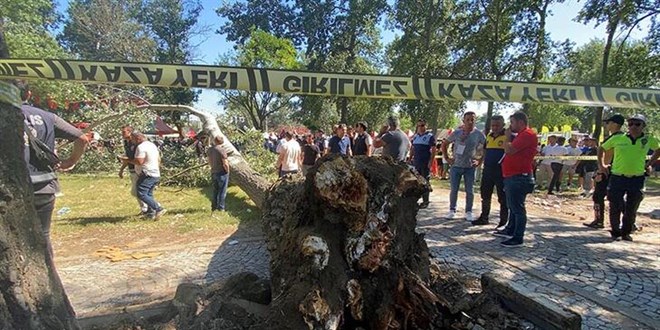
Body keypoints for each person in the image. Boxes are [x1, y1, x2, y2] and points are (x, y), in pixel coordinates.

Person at [22, 101, 89, 256]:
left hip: (13, 187)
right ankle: (48, 276)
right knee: (43, 235)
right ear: (28, 94)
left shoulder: (7, 113)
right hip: (44, 185)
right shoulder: (48, 117)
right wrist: (70, 161)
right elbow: (82, 138)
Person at [599, 114, 660, 242]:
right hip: (617, 177)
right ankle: (615, 230)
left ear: (643, 126)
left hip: (636, 178)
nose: (633, 126)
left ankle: (626, 232)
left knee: (631, 207)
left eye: (637, 124)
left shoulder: (648, 139)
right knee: (614, 204)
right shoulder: (619, 138)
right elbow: (602, 148)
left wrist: (649, 163)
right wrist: (602, 165)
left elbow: (658, 149)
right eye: (631, 123)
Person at [493, 111, 538, 248]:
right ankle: (510, 229)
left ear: (520, 122)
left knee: (517, 208)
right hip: (512, 175)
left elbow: (509, 150)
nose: (510, 126)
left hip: (519, 176)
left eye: (512, 122)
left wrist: (506, 138)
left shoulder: (527, 134)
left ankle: (518, 237)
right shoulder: (521, 135)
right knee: (512, 206)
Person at [441, 112, 486, 221]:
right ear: (464, 121)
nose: (470, 122)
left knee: (469, 190)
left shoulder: (479, 134)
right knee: (454, 189)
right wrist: (447, 157)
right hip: (456, 165)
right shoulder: (457, 133)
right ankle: (452, 210)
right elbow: (444, 143)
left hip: (470, 167)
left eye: (472, 119)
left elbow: (486, 147)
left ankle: (468, 211)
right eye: (468, 119)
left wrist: (480, 160)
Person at [584, 114, 624, 229]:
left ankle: (599, 220)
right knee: (617, 197)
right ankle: (629, 221)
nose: (606, 125)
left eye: (608, 123)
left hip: (608, 170)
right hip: (616, 170)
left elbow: (607, 155)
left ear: (615, 124)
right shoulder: (624, 137)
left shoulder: (614, 138)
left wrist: (600, 170)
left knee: (598, 196)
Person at [473, 115, 508, 227]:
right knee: (485, 195)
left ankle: (503, 221)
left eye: (497, 125)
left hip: (501, 171)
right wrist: (481, 162)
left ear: (503, 125)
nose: (495, 127)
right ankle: (484, 217)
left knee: (502, 197)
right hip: (488, 170)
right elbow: (485, 151)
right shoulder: (488, 136)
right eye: (493, 125)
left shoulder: (507, 137)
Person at [123, 131, 167, 220]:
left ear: (138, 138)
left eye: (133, 139)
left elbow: (139, 161)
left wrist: (127, 160)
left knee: (141, 193)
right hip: (155, 173)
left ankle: (158, 208)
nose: (132, 141)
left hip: (146, 173)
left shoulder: (141, 147)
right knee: (149, 194)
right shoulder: (152, 145)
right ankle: (151, 213)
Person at [118, 125, 149, 215]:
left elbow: (138, 159)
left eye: (124, 132)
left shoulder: (135, 144)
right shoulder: (126, 143)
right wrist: (121, 170)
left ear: (130, 132)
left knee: (137, 191)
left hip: (138, 170)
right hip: (132, 170)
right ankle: (147, 209)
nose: (122, 134)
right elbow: (128, 159)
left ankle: (148, 208)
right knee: (137, 192)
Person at [410, 119, 437, 209]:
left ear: (426, 126)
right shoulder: (415, 137)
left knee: (425, 181)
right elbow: (412, 149)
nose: (420, 128)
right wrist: (410, 158)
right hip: (416, 163)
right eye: (419, 126)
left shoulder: (430, 137)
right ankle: (415, 200)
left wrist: (431, 162)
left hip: (425, 163)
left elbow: (433, 150)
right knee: (416, 181)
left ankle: (425, 201)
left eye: (422, 125)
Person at [208, 135, 230, 214]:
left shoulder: (210, 150)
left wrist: (213, 167)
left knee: (215, 191)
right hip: (222, 172)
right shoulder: (222, 150)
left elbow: (209, 161)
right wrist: (227, 171)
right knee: (222, 191)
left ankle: (214, 207)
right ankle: (221, 208)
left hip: (214, 171)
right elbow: (225, 163)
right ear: (222, 141)